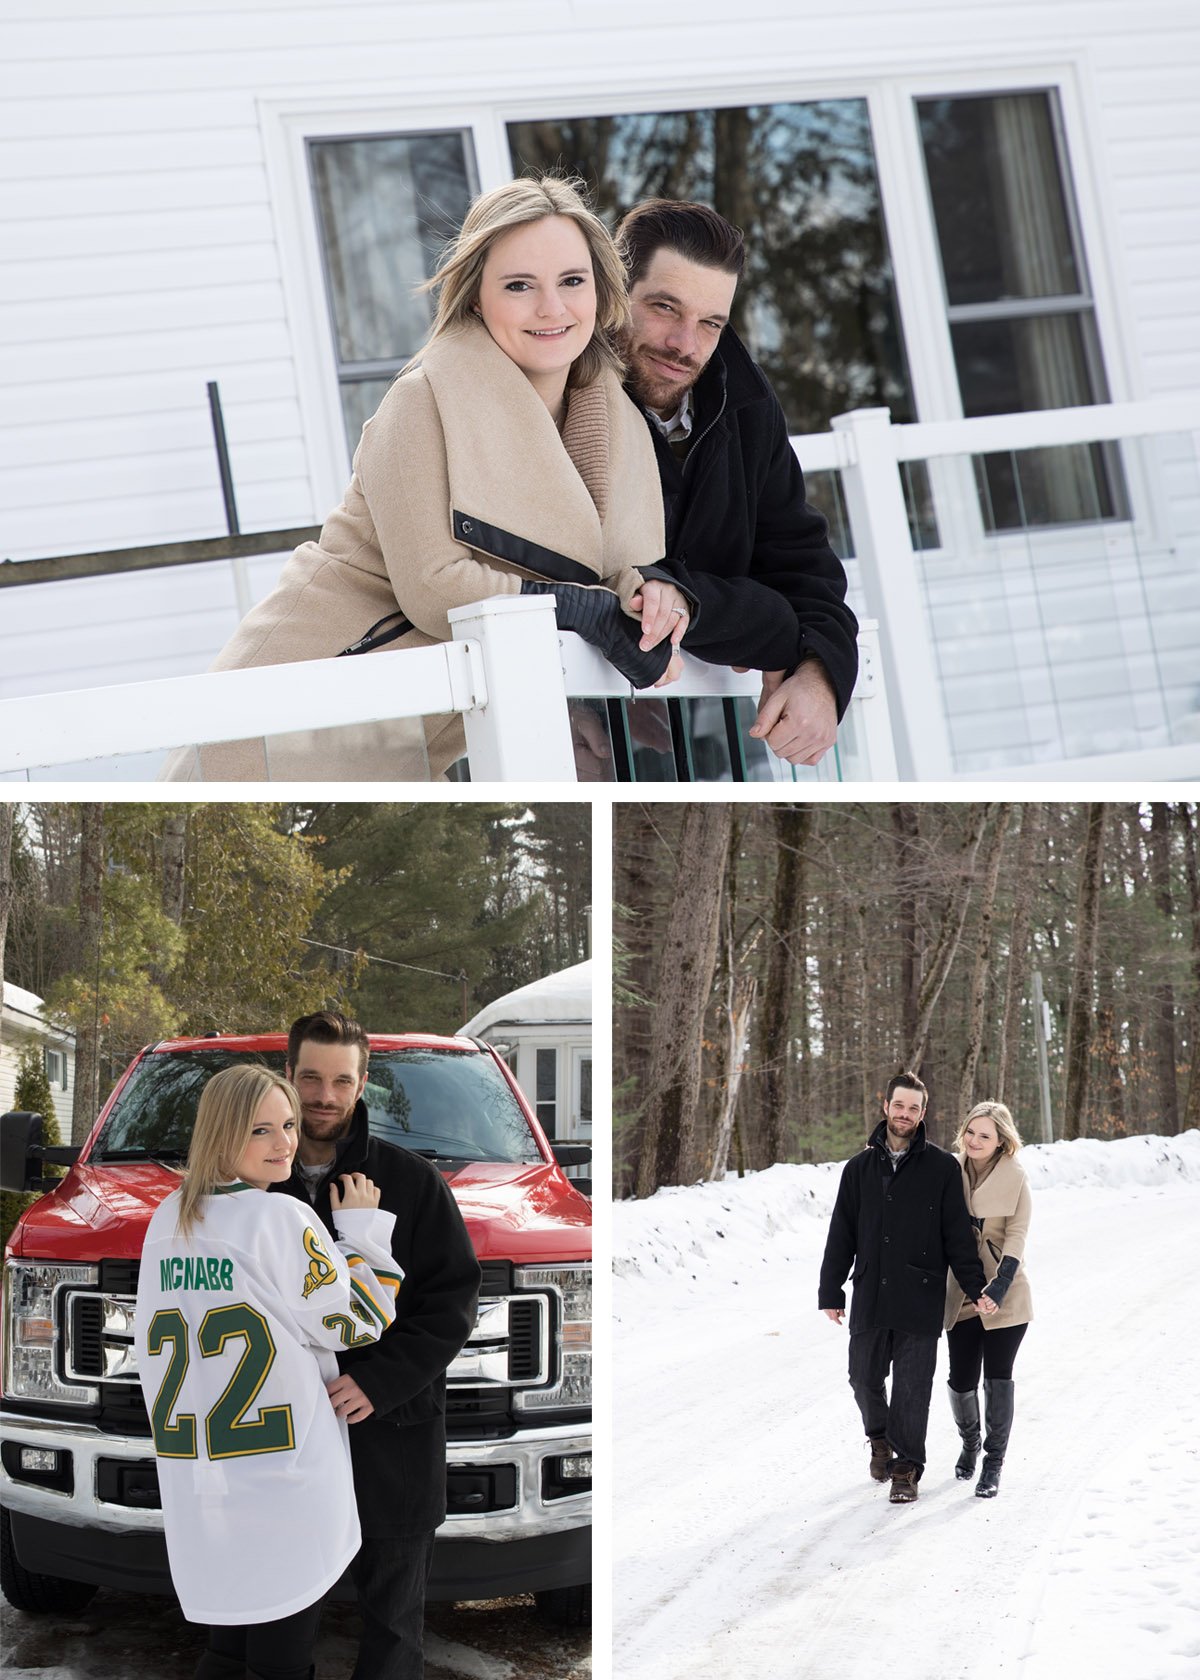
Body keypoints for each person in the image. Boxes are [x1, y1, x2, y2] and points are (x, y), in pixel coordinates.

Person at [165, 173, 693, 781]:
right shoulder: (423, 400)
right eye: (519, 285)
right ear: (476, 298)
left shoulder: (618, 425)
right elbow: (435, 587)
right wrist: (587, 613)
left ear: (600, 291)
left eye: (572, 281)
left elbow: (608, 559)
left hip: (414, 732)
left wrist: (649, 596)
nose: (552, 308)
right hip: (301, 693)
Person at [135, 1064, 400, 1680]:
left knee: (229, 1647)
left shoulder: (166, 1220)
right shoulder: (280, 1217)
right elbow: (356, 1321)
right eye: (261, 1130)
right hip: (284, 1473)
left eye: (287, 1124)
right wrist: (362, 1234)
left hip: (205, 1476)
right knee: (281, 1654)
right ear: (223, 1135)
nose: (284, 1142)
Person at [613, 198, 860, 769]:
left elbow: (804, 570)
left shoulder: (746, 405)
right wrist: (762, 620)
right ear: (613, 295)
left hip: (720, 740)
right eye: (664, 308)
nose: (685, 343)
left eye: (710, 322)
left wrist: (820, 674)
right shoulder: (570, 398)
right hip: (581, 721)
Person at [271, 1011, 482, 1680]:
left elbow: (451, 1306)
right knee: (278, 1618)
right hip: (284, 1440)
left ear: (363, 1084)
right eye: (309, 1078)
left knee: (393, 1629)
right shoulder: (250, 1187)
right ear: (288, 1076)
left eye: (340, 1080)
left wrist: (381, 1381)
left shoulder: (413, 1183)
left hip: (390, 1433)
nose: (323, 1097)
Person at [817, 1071, 997, 1504]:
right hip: (870, 1293)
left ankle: (906, 1469)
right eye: (899, 1105)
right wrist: (831, 1290)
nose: (905, 1114)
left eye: (913, 1108)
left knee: (913, 1389)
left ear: (923, 1113)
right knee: (862, 1377)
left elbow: (957, 1234)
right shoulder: (859, 1169)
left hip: (920, 1294)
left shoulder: (940, 1167)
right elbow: (841, 1231)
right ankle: (879, 1439)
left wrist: (976, 1287)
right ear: (886, 1107)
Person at [943, 1100, 1033, 1498]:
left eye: (985, 1135)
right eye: (971, 1132)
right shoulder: (949, 1171)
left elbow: (1016, 1236)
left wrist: (998, 1287)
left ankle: (993, 1463)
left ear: (1001, 1141)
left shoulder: (1016, 1177)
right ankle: (970, 1443)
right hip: (961, 1289)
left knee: (997, 1379)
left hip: (1005, 1292)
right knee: (961, 1379)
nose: (975, 1140)